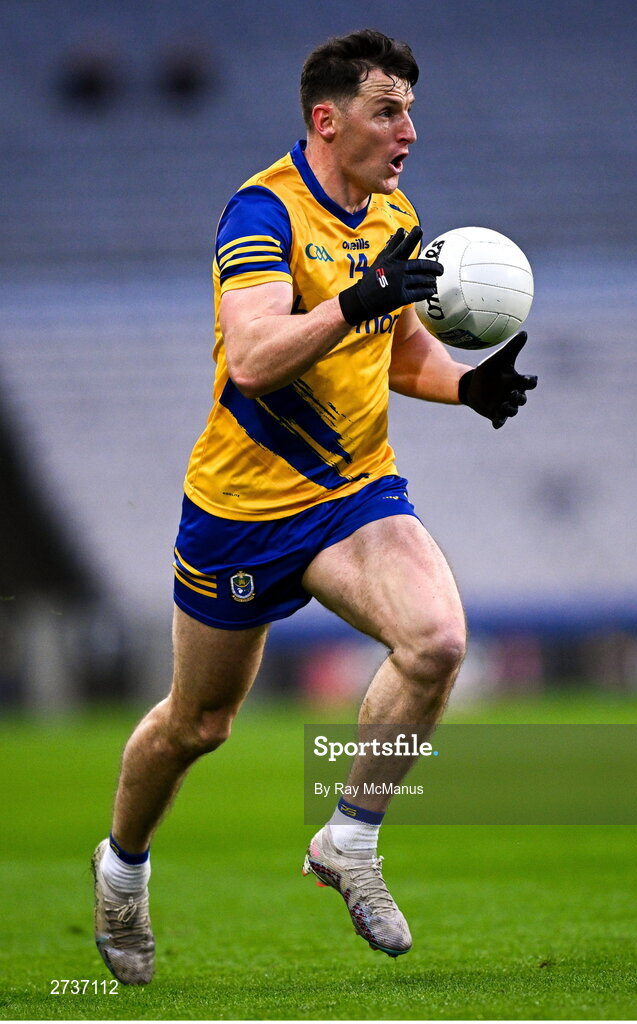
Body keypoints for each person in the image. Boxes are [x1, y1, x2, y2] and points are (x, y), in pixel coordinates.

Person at [92, 27, 537, 984]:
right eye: (388, 109)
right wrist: (358, 298)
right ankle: (122, 868)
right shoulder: (260, 213)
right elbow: (251, 359)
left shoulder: (393, 214)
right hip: (242, 505)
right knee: (197, 725)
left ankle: (350, 839)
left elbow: (400, 349)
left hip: (351, 493)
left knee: (437, 641)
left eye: (411, 108)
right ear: (327, 121)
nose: (408, 128)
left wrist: (467, 388)